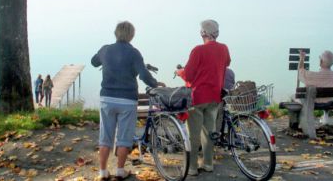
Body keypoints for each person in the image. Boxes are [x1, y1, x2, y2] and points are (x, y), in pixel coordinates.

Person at [91, 21, 164, 181]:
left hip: (107, 98)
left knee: (105, 136)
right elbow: (144, 75)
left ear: (115, 33)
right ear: (131, 35)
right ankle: (119, 171)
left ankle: (102, 172)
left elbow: (93, 61)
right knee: (124, 137)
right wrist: (155, 84)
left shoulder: (106, 49)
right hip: (127, 100)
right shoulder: (134, 53)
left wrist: (103, 58)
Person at [177, 20, 231, 176]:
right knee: (209, 131)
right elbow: (226, 62)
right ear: (217, 33)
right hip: (215, 97)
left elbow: (189, 75)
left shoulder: (198, 50)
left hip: (197, 97)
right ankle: (208, 164)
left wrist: (180, 71)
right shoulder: (224, 48)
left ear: (203, 33)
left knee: (193, 134)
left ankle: (192, 167)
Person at [298, 50, 333, 124]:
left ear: (321, 61)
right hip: (329, 102)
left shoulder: (312, 76)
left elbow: (300, 72)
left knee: (294, 97)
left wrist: (302, 58)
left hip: (315, 102)